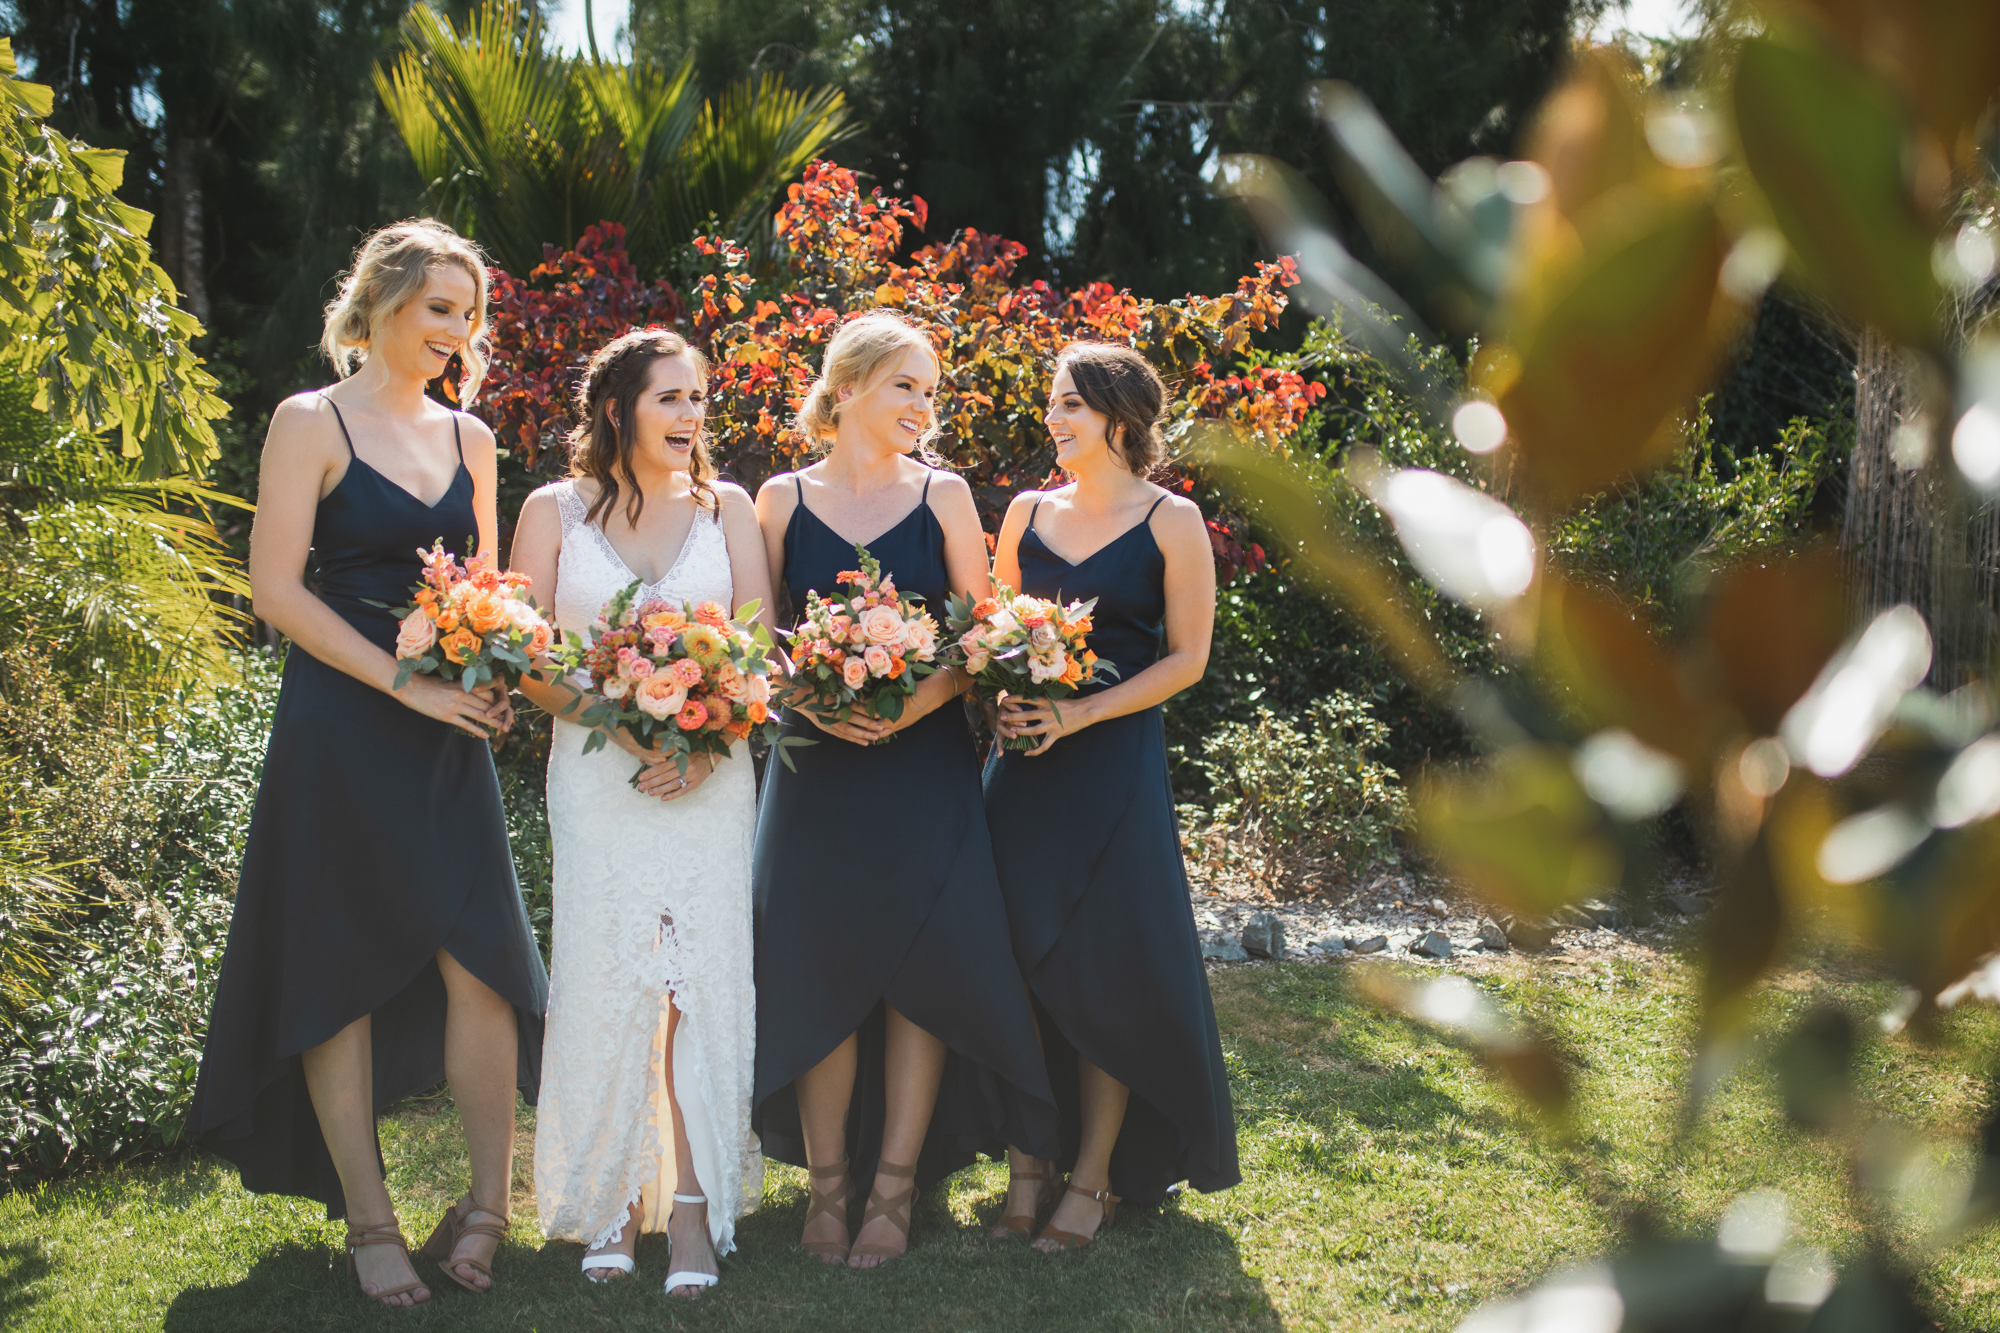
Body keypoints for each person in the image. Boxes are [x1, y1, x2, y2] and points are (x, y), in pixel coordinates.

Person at [188, 219, 548, 1307]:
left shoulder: (471, 439)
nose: (456, 332)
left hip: (448, 733)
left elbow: (480, 588)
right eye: (439, 306)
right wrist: (411, 684)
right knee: (334, 961)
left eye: (469, 314)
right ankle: (371, 1220)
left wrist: (486, 666)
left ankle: (487, 1208)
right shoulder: (311, 420)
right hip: (342, 727)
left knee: (480, 961)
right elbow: (276, 591)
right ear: (383, 301)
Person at [750, 311, 1058, 1268]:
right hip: (814, 768)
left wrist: (909, 707)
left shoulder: (947, 494)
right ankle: (827, 1185)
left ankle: (893, 1188)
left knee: (921, 968)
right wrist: (820, 701)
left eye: (931, 390)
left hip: (923, 765)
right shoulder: (779, 498)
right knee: (820, 966)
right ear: (846, 389)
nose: (925, 406)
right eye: (906, 387)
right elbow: (758, 642)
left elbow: (983, 635)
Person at [511, 329, 770, 1297]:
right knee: (609, 974)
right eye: (670, 397)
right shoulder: (551, 510)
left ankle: (696, 1206)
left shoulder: (727, 508)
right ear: (616, 407)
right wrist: (616, 724)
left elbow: (759, 646)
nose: (692, 415)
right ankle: (614, 1198)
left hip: (709, 777)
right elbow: (523, 651)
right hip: (594, 775)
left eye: (699, 397)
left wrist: (703, 740)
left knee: (696, 980)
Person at [983, 342, 1240, 1252]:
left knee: (1105, 975)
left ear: (1118, 419)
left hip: (1115, 768)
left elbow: (1189, 659)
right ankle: (1027, 1164)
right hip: (1022, 770)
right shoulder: (1024, 511)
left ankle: (1091, 1178)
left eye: (1067, 405)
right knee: (1013, 963)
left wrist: (1082, 712)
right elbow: (995, 630)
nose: (1052, 419)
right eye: (1051, 404)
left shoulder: (1173, 521)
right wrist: (1008, 692)